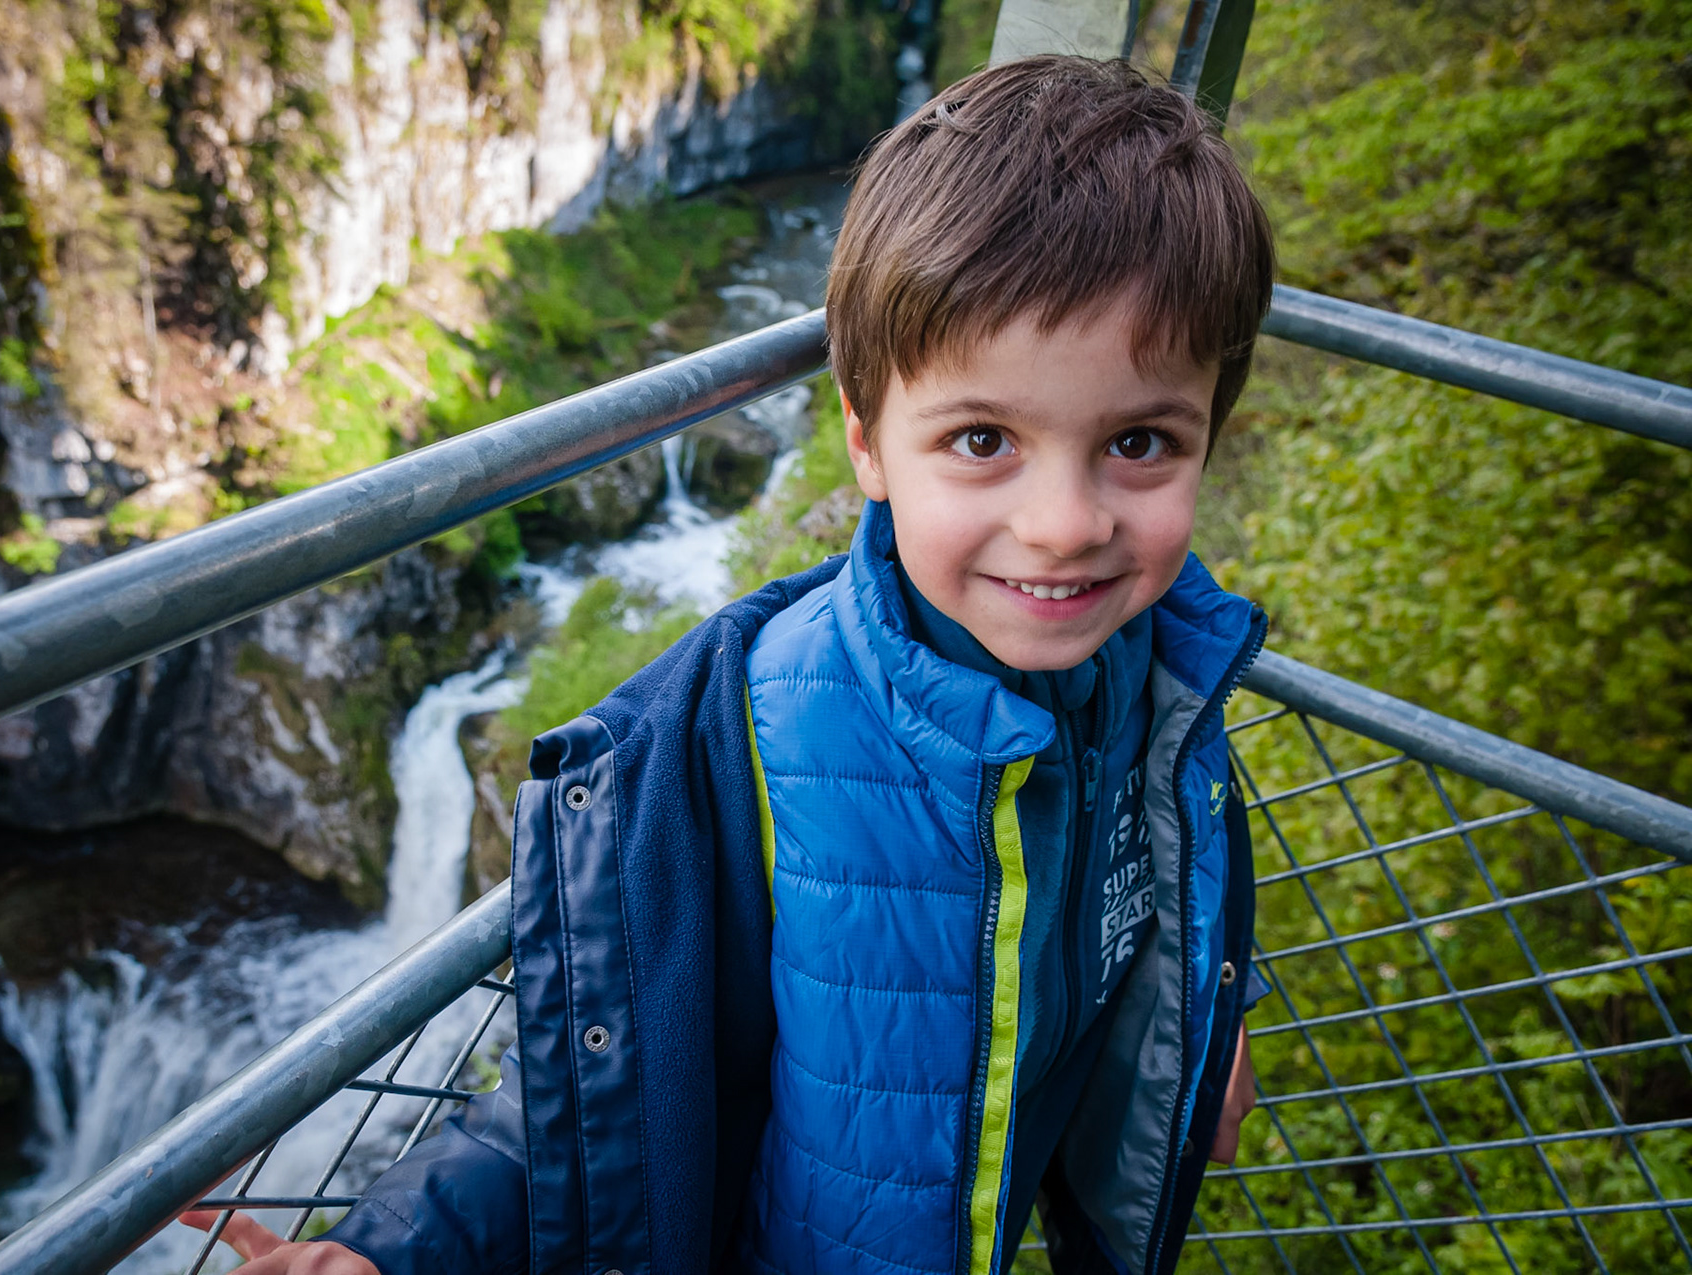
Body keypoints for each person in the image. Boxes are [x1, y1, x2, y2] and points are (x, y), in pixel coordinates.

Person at [183, 52, 1276, 1275]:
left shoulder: (1153, 664)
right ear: (866, 444)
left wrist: (1206, 1010)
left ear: (1208, 435)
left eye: (1138, 442)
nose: (1068, 523)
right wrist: (390, 1252)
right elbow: (598, 1074)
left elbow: (1160, 880)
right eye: (983, 440)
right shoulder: (747, 729)